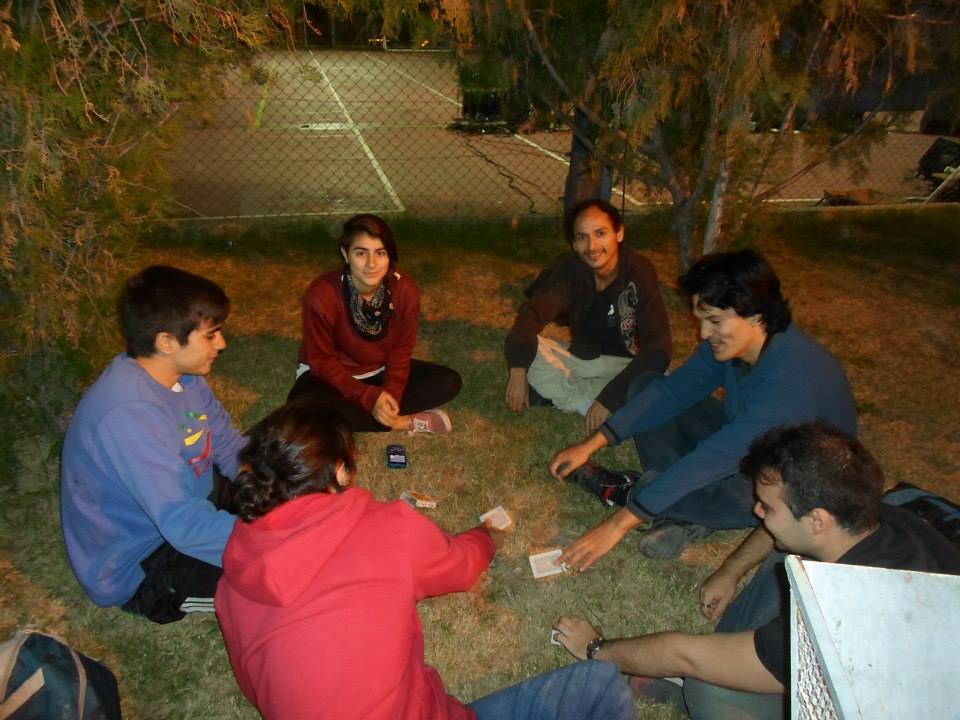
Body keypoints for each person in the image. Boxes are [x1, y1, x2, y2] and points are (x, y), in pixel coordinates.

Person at [215, 403, 637, 720]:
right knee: (600, 680)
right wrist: (488, 534)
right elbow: (462, 566)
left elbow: (256, 687)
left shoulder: (233, 574)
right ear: (341, 472)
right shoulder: (385, 528)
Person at [553, 423, 960, 720]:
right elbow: (784, 533)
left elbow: (685, 655)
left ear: (818, 519)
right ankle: (740, 658)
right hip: (910, 641)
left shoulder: (845, 618)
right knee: (787, 549)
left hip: (887, 697)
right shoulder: (874, 517)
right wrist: (730, 570)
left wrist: (596, 649)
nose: (756, 511)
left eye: (767, 506)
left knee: (709, 689)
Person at [550, 249, 857, 563]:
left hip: (789, 482)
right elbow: (673, 392)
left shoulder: (790, 383)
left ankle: (641, 493)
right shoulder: (737, 342)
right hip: (747, 445)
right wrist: (592, 443)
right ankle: (680, 509)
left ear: (756, 315)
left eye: (714, 321)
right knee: (647, 387)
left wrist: (620, 523)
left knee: (747, 501)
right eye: (701, 321)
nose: (704, 333)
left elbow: (714, 457)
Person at [60, 265, 247, 623]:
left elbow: (226, 441)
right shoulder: (130, 413)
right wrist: (270, 543)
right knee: (281, 575)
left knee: (286, 465)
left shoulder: (182, 375)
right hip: (144, 560)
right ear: (167, 342)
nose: (222, 344)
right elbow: (182, 524)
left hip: (188, 503)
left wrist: (277, 494)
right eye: (211, 335)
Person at [504, 198, 672, 434]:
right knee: (529, 351)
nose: (592, 246)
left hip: (622, 362)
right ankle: (586, 402)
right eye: (582, 237)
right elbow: (532, 314)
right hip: (582, 358)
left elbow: (659, 348)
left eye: (600, 233)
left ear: (619, 233)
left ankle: (575, 394)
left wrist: (609, 399)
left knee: (659, 377)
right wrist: (518, 370)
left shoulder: (638, 270)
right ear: (574, 244)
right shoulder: (570, 269)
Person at [288, 213, 461, 433]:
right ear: (346, 254)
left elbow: (401, 351)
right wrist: (369, 397)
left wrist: (391, 395)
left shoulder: (405, 290)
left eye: (380, 253)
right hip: (331, 377)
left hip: (380, 371)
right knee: (304, 409)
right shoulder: (322, 294)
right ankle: (403, 422)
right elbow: (321, 360)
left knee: (448, 382)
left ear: (389, 256)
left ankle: (380, 416)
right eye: (361, 253)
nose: (372, 264)